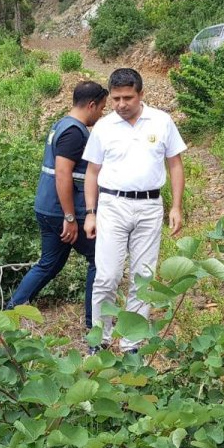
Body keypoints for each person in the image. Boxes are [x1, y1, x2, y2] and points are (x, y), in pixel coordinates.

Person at [83, 68, 186, 355]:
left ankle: (132, 345)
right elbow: (92, 172)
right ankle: (99, 341)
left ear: (141, 94)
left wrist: (176, 206)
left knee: (143, 277)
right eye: (115, 98)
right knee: (107, 276)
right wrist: (91, 212)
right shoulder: (104, 127)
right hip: (112, 205)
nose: (121, 104)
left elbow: (175, 164)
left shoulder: (161, 121)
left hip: (150, 206)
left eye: (127, 97)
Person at [4, 81, 109, 329]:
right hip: (64, 211)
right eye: (102, 108)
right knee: (99, 259)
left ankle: (11, 311)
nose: (102, 114)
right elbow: (63, 174)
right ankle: (93, 323)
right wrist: (70, 217)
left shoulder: (61, 124)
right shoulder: (75, 132)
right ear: (92, 105)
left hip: (47, 206)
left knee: (49, 263)